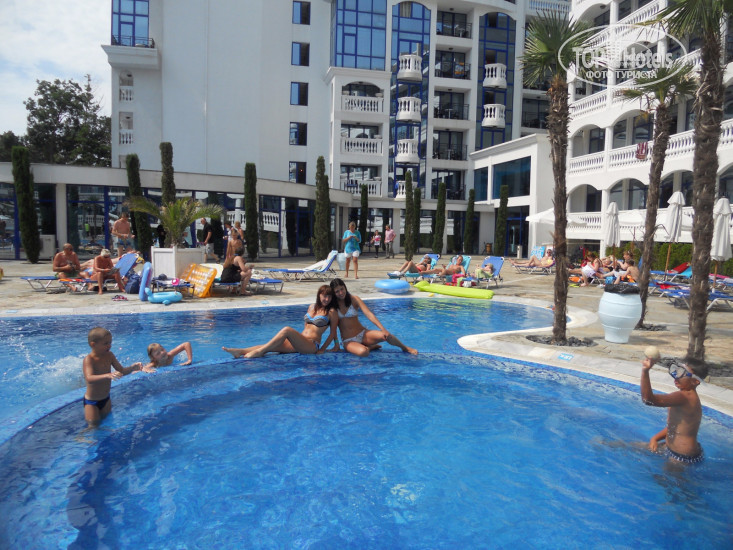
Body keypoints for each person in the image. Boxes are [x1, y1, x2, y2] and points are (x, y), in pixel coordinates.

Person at [222, 285, 340, 358]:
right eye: (324, 296)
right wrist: (297, 339)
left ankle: (260, 352)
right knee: (272, 345)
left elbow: (332, 333)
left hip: (311, 345)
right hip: (300, 341)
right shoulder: (311, 307)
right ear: (319, 295)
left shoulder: (331, 312)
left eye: (329, 297)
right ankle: (240, 351)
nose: (327, 299)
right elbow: (306, 326)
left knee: (287, 330)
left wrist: (322, 349)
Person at [640, 355, 707, 464]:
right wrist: (655, 438)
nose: (677, 375)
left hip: (682, 456)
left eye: (683, 373)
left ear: (695, 381)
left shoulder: (685, 397)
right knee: (633, 447)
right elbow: (674, 427)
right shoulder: (685, 396)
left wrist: (645, 371)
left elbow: (648, 400)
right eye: (677, 370)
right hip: (673, 449)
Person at [330, 278, 417, 357]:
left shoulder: (354, 299)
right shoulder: (333, 307)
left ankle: (405, 348)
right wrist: (336, 343)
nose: (341, 293)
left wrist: (383, 329)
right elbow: (333, 327)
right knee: (363, 352)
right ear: (333, 293)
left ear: (345, 288)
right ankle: (370, 347)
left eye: (342, 289)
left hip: (363, 334)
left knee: (387, 336)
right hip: (348, 340)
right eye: (337, 291)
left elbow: (369, 314)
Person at [83, 327, 142, 426]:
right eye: (105, 343)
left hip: (106, 399)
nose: (109, 345)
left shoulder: (110, 355)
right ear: (93, 344)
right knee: (93, 426)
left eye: (110, 342)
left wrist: (132, 368)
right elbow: (89, 378)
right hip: (92, 401)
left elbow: (121, 371)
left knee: (107, 422)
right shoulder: (89, 359)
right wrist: (108, 375)